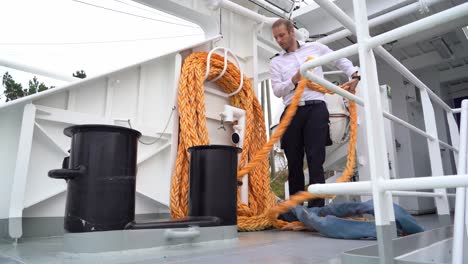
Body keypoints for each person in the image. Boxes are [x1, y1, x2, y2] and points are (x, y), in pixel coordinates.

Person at [270, 18, 360, 207]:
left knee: (315, 158)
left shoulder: (315, 48)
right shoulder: (276, 62)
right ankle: (295, 209)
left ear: (291, 32)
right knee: (293, 161)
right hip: (292, 110)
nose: (279, 40)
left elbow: (339, 60)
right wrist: (294, 79)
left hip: (316, 107)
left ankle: (316, 209)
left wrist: (354, 75)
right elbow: (278, 90)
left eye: (282, 35)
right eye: (275, 37)